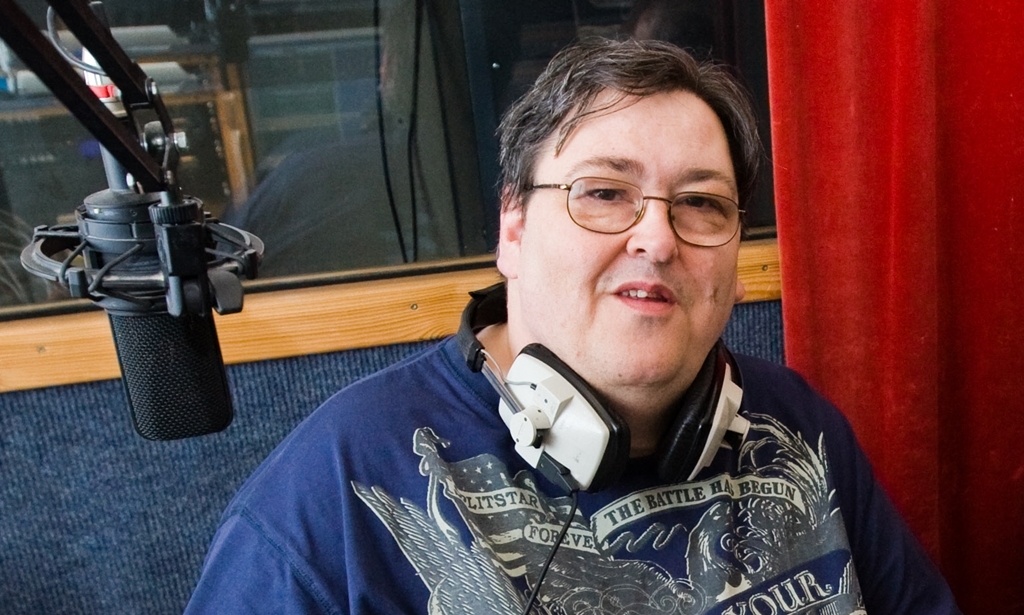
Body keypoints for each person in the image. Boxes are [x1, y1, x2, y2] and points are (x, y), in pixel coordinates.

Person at [185, 38, 960, 614]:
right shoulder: (331, 495)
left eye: (700, 203)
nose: (657, 239)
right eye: (603, 193)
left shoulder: (798, 426)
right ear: (512, 230)